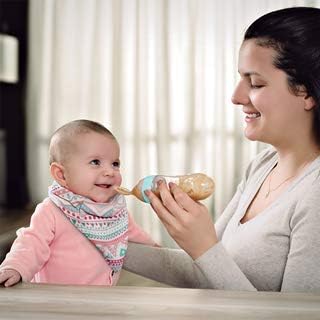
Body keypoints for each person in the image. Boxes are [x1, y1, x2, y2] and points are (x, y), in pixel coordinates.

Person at [123, 6, 320, 292]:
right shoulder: (263, 166)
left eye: (255, 82)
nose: (236, 96)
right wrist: (105, 242)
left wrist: (203, 247)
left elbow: (296, 315)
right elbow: (206, 269)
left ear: (307, 92)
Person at [0, 119, 156, 287]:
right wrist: (14, 267)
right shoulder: (51, 210)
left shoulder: (115, 211)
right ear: (61, 175)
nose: (110, 171)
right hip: (56, 301)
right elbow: (31, 244)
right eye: (95, 162)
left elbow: (134, 234)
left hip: (101, 299)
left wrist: (156, 250)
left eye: (115, 164)